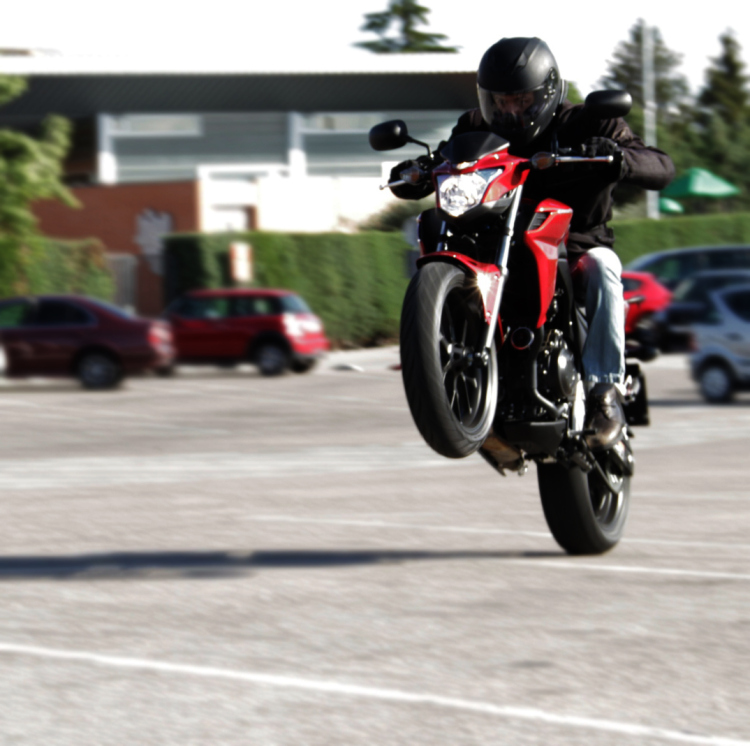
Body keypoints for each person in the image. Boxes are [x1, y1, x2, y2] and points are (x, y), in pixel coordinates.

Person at [389, 37, 675, 450]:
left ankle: (604, 393)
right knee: (437, 233)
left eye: (521, 100)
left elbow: (662, 166)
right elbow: (450, 160)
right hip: (491, 242)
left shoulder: (589, 122)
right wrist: (417, 170)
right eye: (500, 101)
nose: (510, 110)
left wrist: (618, 158)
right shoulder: (474, 127)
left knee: (603, 267)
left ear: (547, 93)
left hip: (574, 247)